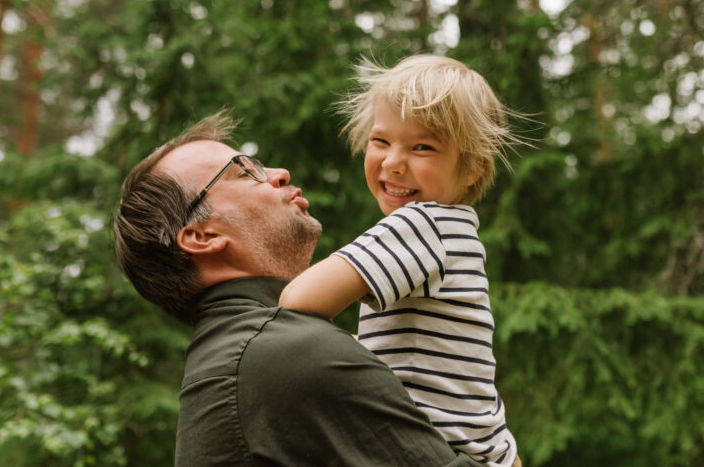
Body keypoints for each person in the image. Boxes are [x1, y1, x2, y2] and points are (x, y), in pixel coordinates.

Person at [113, 112, 478, 466]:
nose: (279, 173)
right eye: (246, 171)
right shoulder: (289, 355)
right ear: (203, 237)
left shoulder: (246, 356)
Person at [279, 55, 521, 467]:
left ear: (473, 169)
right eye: (381, 141)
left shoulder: (422, 224)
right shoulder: (458, 229)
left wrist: (353, 352)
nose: (392, 161)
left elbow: (296, 303)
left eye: (422, 146)